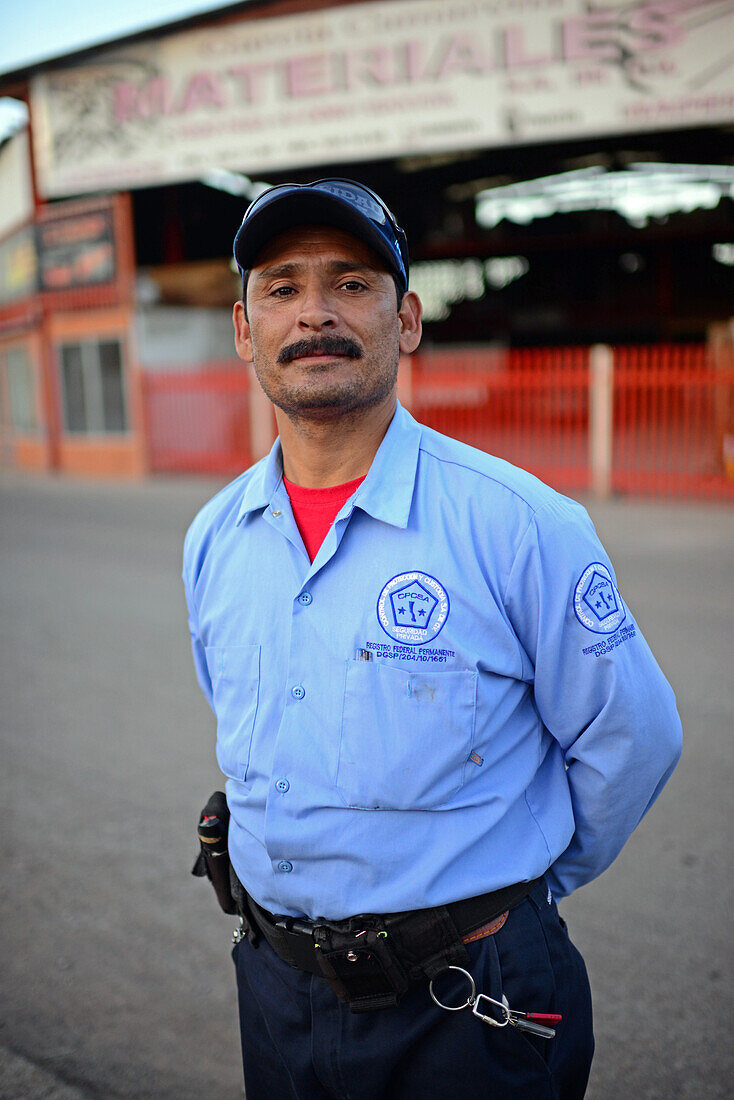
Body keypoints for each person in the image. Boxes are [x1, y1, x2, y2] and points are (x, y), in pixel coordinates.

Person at [182, 178, 682, 1099]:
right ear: (247, 333)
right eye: (282, 288)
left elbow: (634, 738)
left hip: (469, 1005)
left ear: (406, 320)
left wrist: (508, 896)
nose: (316, 314)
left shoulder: (520, 523)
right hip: (273, 989)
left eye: (353, 284)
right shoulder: (216, 537)